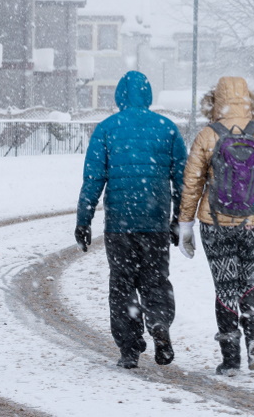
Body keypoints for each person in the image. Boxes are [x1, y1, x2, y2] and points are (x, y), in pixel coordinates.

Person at [177, 76, 254, 376]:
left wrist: (185, 225)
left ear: (214, 101)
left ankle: (230, 359)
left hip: (215, 224)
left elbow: (191, 184)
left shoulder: (207, 135)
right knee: (248, 283)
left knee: (225, 287)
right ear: (249, 99)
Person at [75, 70, 187, 369]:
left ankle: (129, 347)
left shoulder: (107, 129)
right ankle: (159, 323)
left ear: (119, 96)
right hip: (155, 221)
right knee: (156, 280)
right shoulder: (167, 128)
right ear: (148, 95)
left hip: (120, 223)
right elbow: (182, 180)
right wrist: (179, 218)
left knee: (122, 284)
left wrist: (83, 219)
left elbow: (93, 179)